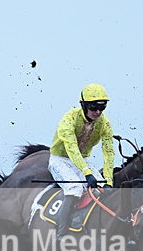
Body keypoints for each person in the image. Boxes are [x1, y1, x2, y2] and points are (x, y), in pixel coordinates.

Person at [48, 83, 116, 239]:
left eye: (102, 108)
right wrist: (87, 173)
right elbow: (72, 149)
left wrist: (109, 181)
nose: (98, 112)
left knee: (101, 191)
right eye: (93, 107)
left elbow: (108, 152)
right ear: (84, 105)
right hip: (60, 160)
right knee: (74, 190)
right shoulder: (68, 120)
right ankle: (61, 234)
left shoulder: (104, 124)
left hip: (83, 160)